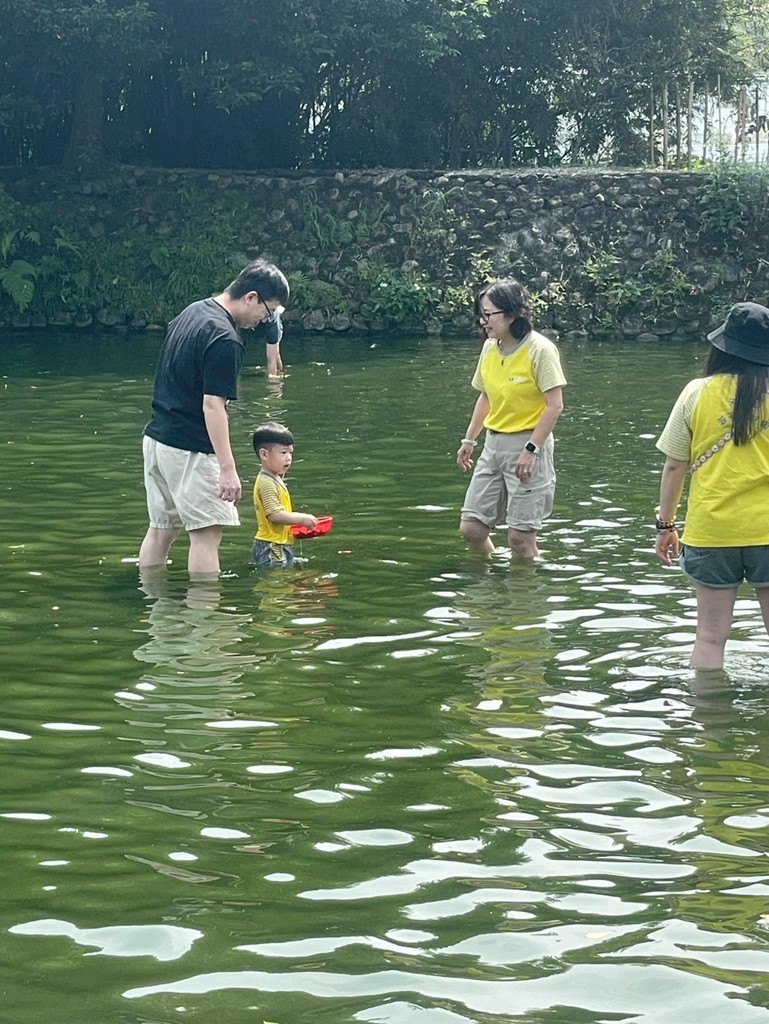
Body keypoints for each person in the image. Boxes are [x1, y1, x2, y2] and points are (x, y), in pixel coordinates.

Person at [138, 259, 290, 579]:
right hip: (190, 448)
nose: (264, 321)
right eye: (267, 311)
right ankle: (206, 609)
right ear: (250, 297)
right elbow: (212, 407)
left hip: (157, 439)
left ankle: (153, 599)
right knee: (207, 536)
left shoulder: (192, 312)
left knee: (161, 529)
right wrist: (228, 469)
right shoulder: (225, 339)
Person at [655, 301, 769, 670]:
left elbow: (675, 466)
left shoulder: (696, 392)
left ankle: (705, 708)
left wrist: (666, 526)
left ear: (721, 347)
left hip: (711, 532)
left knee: (708, 638)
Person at [457, 278, 566, 558]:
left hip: (529, 445)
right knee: (472, 529)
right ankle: (490, 578)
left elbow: (554, 406)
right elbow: (486, 396)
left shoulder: (540, 350)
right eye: (481, 315)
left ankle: (525, 585)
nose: (483, 322)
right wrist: (469, 439)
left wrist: (531, 449)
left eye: (488, 314)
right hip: (493, 446)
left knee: (520, 539)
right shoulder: (489, 348)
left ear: (512, 313)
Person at [252, 422, 318, 569]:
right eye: (283, 453)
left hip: (279, 543)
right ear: (264, 454)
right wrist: (301, 519)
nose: (288, 458)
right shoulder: (267, 483)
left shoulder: (274, 478)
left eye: (290, 452)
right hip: (271, 546)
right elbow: (274, 515)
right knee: (276, 580)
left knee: (285, 578)